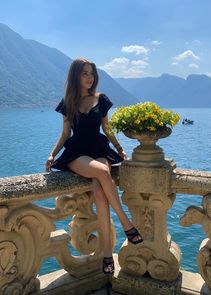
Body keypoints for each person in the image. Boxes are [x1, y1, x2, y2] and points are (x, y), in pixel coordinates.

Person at [45, 58, 143, 274]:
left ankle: (107, 255)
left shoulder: (102, 99)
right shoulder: (68, 103)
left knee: (99, 192)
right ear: (76, 76)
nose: (89, 77)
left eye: (91, 73)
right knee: (101, 172)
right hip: (77, 152)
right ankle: (126, 222)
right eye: (84, 73)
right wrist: (52, 154)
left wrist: (120, 149)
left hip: (99, 149)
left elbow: (107, 129)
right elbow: (65, 134)